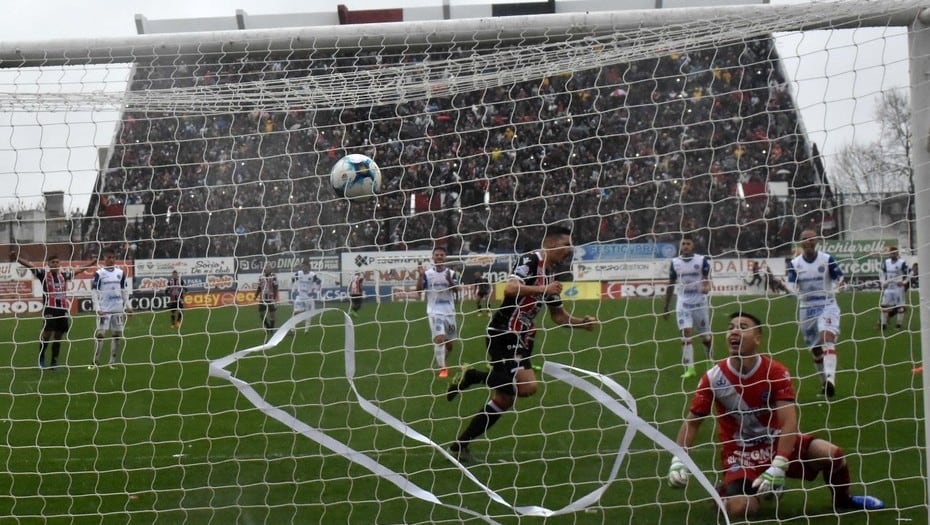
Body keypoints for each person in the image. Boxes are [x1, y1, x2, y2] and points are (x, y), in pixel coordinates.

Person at [667, 311, 885, 518]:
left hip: (776, 444)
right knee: (743, 509)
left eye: (743, 327)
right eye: (731, 328)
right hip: (741, 454)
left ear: (758, 338)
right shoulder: (713, 377)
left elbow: (789, 421)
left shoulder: (775, 372)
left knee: (833, 454)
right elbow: (693, 422)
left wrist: (779, 463)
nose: (734, 332)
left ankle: (843, 501)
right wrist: (678, 458)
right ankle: (723, 493)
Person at [445, 225, 598, 464]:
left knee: (504, 399)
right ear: (550, 243)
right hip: (504, 332)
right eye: (565, 245)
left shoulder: (551, 275)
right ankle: (473, 375)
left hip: (523, 337)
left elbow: (558, 316)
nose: (569, 250)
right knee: (526, 388)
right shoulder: (530, 260)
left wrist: (582, 323)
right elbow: (510, 288)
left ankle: (461, 445)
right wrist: (542, 288)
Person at [785, 229, 844, 398]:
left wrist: (841, 283)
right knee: (816, 350)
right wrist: (789, 289)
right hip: (806, 309)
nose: (809, 242)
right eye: (805, 239)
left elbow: (839, 276)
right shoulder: (795, 264)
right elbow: (791, 284)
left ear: (816, 241)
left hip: (827, 305)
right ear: (801, 242)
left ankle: (831, 379)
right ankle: (825, 383)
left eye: (812, 239)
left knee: (827, 338)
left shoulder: (826, 259)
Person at [12, 251, 95, 370]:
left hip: (62, 309)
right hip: (49, 309)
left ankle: (54, 361)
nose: (55, 264)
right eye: (53, 262)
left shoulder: (64, 276)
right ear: (49, 264)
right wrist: (17, 258)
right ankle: (41, 357)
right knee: (47, 334)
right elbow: (30, 266)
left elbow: (79, 270)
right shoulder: (43, 275)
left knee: (58, 336)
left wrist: (91, 263)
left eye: (57, 262)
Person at [662, 235, 713, 379]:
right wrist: (666, 306)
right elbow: (671, 284)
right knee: (686, 334)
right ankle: (690, 368)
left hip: (700, 304)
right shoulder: (675, 263)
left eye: (688, 243)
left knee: (706, 337)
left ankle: (709, 362)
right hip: (683, 303)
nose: (685, 246)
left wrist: (706, 287)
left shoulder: (702, 261)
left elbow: (707, 279)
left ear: (693, 245)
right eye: (683, 243)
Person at [416, 247, 460, 378]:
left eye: (442, 254)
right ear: (433, 258)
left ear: (445, 257)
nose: (439, 257)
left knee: (449, 345)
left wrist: (450, 281)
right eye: (437, 255)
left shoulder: (451, 273)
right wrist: (420, 276)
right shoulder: (428, 274)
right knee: (439, 339)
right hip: (434, 311)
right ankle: (443, 368)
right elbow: (418, 291)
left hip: (449, 312)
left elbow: (457, 290)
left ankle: (442, 360)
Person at [90, 249, 133, 369]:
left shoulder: (120, 273)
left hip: (118, 309)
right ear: (104, 259)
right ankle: (95, 361)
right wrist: (97, 308)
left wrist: (128, 307)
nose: (111, 259)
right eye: (109, 257)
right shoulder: (99, 273)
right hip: (105, 309)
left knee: (117, 334)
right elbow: (94, 291)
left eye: (113, 257)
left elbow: (124, 291)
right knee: (100, 334)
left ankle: (112, 362)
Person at [879, 246, 908, 331]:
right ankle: (883, 325)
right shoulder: (886, 262)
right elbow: (882, 273)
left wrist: (904, 282)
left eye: (894, 253)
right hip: (888, 288)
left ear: (897, 253)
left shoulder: (902, 262)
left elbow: (910, 272)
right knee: (884, 306)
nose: (892, 254)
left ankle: (898, 325)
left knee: (900, 307)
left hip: (898, 288)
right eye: (891, 253)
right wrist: (883, 282)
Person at [291, 261, 322, 334]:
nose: (303, 268)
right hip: (300, 296)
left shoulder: (312, 275)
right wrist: (294, 288)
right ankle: (292, 329)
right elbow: (292, 279)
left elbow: (319, 282)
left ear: (308, 267)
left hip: (308, 297)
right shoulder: (299, 273)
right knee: (295, 312)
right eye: (302, 266)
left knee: (308, 314)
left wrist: (314, 291)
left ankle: (306, 330)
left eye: (305, 266)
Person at [255, 263, 279, 339]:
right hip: (262, 298)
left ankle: (271, 328)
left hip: (270, 298)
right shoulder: (261, 276)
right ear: (264, 269)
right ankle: (267, 326)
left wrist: (275, 298)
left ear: (271, 269)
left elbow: (275, 287)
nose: (267, 269)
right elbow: (259, 287)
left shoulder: (273, 276)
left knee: (272, 314)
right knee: (261, 314)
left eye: (269, 267)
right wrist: (255, 295)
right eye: (266, 268)